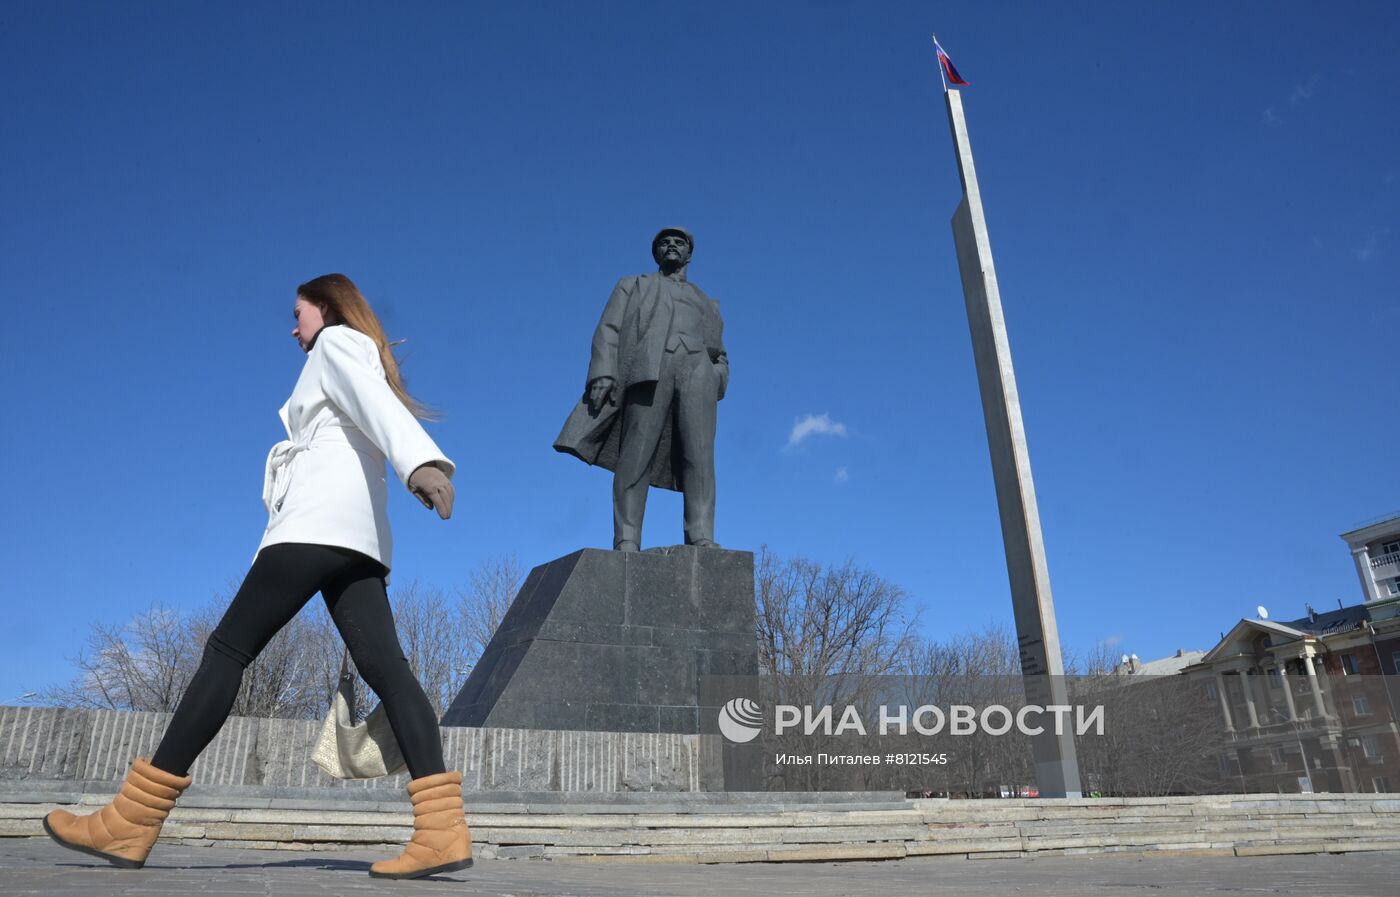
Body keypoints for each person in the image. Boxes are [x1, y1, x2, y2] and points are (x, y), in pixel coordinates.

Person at [42, 274, 473, 881]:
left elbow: (375, 409)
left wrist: (421, 462)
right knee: (390, 672)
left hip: (316, 525)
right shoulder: (350, 350)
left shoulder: (337, 343)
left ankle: (131, 820)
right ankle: (441, 831)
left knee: (226, 651)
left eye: (298, 312)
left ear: (325, 308)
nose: (292, 326)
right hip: (359, 537)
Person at [554, 227, 729, 550]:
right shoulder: (633, 286)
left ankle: (700, 535)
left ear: (689, 254)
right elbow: (609, 329)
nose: (672, 246)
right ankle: (627, 539)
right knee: (636, 454)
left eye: (679, 243)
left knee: (700, 458)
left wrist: (716, 376)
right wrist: (602, 374)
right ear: (656, 253)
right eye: (665, 242)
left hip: (698, 373)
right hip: (650, 369)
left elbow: (720, 353)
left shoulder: (707, 302)